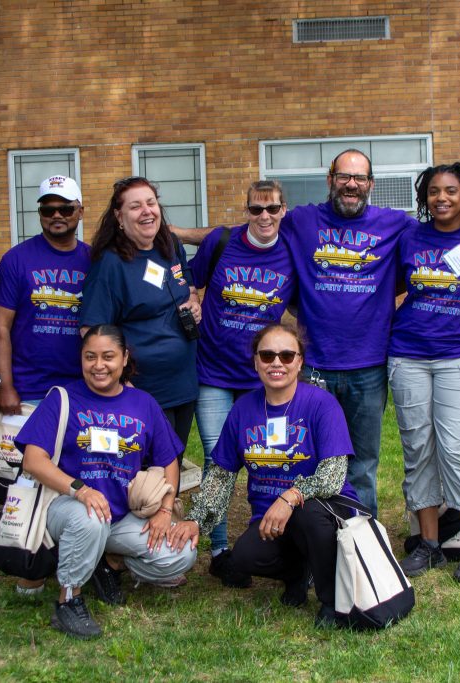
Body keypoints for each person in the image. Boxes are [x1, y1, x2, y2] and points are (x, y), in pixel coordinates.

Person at [173, 150, 415, 516]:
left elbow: (437, 239)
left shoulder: (395, 223)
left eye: (359, 178)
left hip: (368, 365)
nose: (351, 184)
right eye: (344, 176)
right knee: (309, 458)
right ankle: (310, 530)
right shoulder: (302, 220)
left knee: (363, 462)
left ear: (370, 184)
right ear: (330, 180)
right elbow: (247, 230)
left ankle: (361, 537)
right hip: (314, 364)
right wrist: (175, 234)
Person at [169, 323, 360, 628]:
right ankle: (299, 573)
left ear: (299, 362)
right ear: (256, 361)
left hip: (323, 511)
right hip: (271, 518)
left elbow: (332, 476)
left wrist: (290, 497)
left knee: (308, 516)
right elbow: (221, 475)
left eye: (287, 356)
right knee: (244, 557)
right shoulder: (244, 409)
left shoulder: (321, 404)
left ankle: (333, 601)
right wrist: (196, 519)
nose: (276, 363)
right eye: (267, 355)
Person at [15, 325, 197, 639]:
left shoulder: (143, 403)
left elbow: (169, 460)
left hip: (121, 516)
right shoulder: (62, 398)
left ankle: (110, 562)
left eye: (108, 357)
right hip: (65, 509)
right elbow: (33, 460)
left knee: (181, 554)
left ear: (124, 359)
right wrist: (80, 490)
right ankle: (69, 600)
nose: (99, 365)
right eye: (90, 357)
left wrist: (165, 510)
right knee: (90, 518)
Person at [389, 163, 460, 584]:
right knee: (418, 447)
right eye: (434, 191)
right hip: (407, 355)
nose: (442, 198)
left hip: (458, 357)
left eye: (451, 191)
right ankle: (429, 545)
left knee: (455, 450)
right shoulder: (410, 238)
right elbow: (391, 286)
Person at [187, 180, 297, 588]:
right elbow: (191, 281)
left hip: (263, 376)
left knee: (270, 457)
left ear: (283, 210)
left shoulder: (292, 252)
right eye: (256, 209)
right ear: (246, 210)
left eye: (272, 209)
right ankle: (220, 551)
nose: (264, 217)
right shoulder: (221, 242)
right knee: (218, 459)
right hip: (213, 373)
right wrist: (193, 298)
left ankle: (269, 538)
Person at [0, 174, 90, 595]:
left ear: (79, 211)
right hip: (30, 388)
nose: (57, 215)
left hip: (79, 390)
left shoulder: (94, 259)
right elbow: (1, 327)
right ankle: (30, 566)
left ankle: (80, 556)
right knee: (29, 481)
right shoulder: (17, 259)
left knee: (78, 474)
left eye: (65, 208)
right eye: (48, 209)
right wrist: (5, 384)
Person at [79, 177, 201, 447]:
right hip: (142, 390)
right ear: (119, 217)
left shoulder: (170, 245)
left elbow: (188, 285)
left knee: (173, 463)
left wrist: (194, 302)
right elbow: (91, 331)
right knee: (147, 467)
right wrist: (120, 382)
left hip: (183, 384)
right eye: (135, 207)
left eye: (151, 203)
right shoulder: (110, 264)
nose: (147, 211)